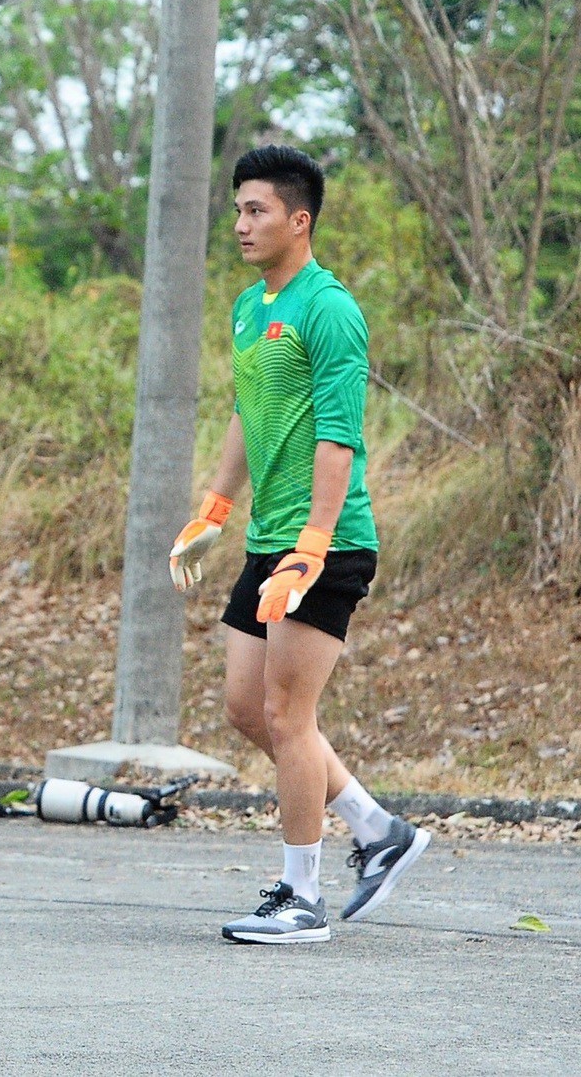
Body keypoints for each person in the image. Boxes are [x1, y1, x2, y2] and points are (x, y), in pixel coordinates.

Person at [171, 145, 430, 945]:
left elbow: (339, 436)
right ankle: (378, 828)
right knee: (248, 707)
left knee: (289, 713)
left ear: (299, 219)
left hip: (326, 543)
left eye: (257, 210)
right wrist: (216, 505)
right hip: (267, 539)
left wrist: (314, 542)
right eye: (239, 209)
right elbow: (248, 411)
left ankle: (302, 894)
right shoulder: (254, 307)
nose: (241, 223)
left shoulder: (329, 308)